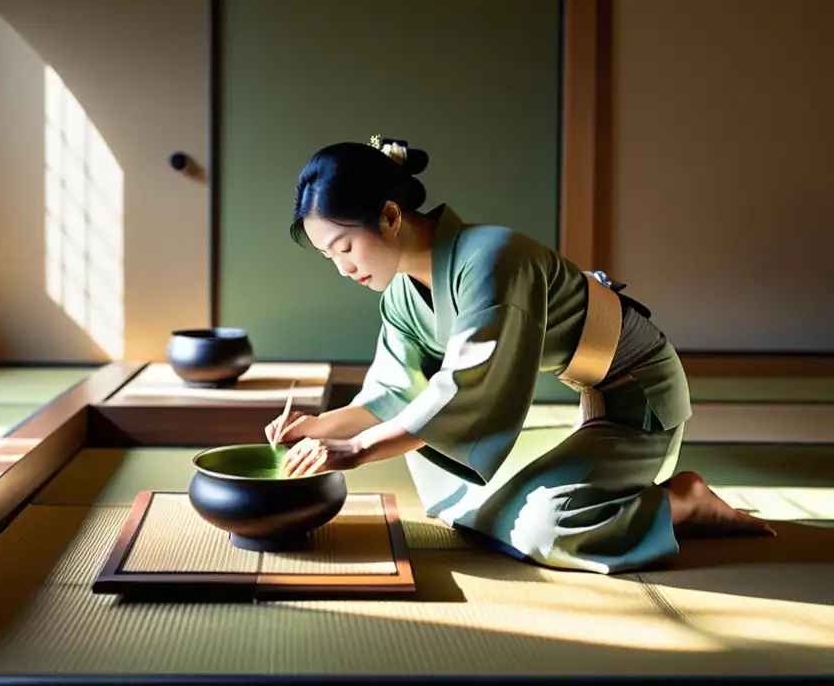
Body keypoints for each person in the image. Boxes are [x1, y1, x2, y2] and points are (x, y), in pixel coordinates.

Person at [264, 136, 775, 575]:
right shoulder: (400, 293)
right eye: (329, 257)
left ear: (390, 216)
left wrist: (356, 450)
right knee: (456, 498)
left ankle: (683, 501)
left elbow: (465, 389)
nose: (342, 268)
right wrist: (319, 428)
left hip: (638, 399)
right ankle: (533, 499)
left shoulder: (492, 258)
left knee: (543, 531)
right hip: (591, 400)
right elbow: (396, 394)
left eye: (345, 247)